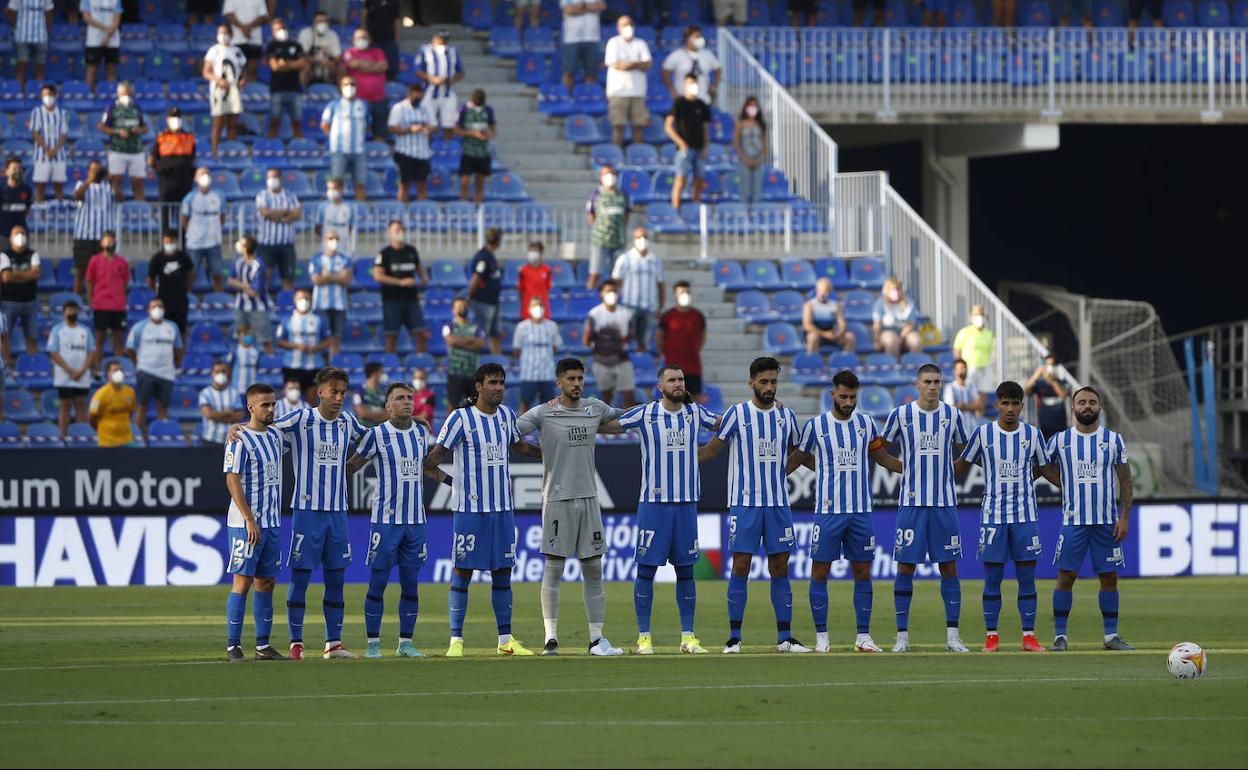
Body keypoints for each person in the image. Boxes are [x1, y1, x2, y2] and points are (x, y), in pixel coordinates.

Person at [236, 366, 367, 660]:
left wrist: (403, 426)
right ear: (319, 392)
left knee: (336, 578)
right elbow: (263, 427)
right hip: (307, 512)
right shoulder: (301, 418)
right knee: (301, 578)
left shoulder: (348, 421)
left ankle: (334, 643)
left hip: (338, 512)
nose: (339, 397)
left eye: (343, 392)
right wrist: (238, 428)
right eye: (333, 391)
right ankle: (296, 643)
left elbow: (373, 439)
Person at [424, 363, 542, 657]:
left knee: (502, 572)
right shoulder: (460, 419)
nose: (499, 387)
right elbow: (430, 461)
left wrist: (552, 453)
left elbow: (519, 446)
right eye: (492, 382)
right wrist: (453, 483)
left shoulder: (506, 415)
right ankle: (456, 641)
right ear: (478, 386)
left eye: (501, 382)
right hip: (470, 511)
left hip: (502, 509)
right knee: (463, 571)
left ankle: (505, 640)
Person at [697, 356, 808, 654]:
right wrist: (677, 462)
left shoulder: (786, 417)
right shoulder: (737, 414)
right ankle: (734, 637)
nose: (769, 387)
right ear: (751, 383)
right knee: (741, 566)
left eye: (773, 381)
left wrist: (793, 470)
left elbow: (799, 451)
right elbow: (710, 450)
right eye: (764, 382)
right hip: (745, 503)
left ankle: (785, 638)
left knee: (780, 567)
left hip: (777, 504)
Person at [516, 358, 625, 656]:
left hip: (589, 497)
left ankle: (596, 640)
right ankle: (550, 638)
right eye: (571, 379)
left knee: (593, 569)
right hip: (557, 499)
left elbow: (623, 419)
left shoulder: (594, 408)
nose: (577, 383)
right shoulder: (544, 412)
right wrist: (540, 453)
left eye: (580, 378)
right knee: (554, 568)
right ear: (559, 383)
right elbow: (512, 433)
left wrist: (655, 410)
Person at [786, 370, 901, 653]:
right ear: (833, 395)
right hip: (828, 512)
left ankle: (863, 636)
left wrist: (912, 470)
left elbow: (882, 457)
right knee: (819, 573)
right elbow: (798, 458)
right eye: (844, 396)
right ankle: (822, 637)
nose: (848, 402)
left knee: (863, 572)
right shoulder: (816, 426)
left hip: (861, 511)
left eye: (853, 397)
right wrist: (772, 476)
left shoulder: (866, 423)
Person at [618, 365, 720, 654]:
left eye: (681, 380)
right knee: (646, 571)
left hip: (686, 505)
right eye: (672, 380)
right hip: (653, 504)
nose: (678, 384)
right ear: (660, 386)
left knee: (686, 572)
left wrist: (766, 410)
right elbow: (610, 424)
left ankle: (688, 637)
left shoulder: (695, 413)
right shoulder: (645, 413)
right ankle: (644, 638)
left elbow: (725, 425)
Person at [954, 380, 1060, 654]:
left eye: (1015, 403)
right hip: (993, 516)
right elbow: (961, 467)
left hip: (1025, 516)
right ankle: (991, 636)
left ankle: (1029, 636)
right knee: (993, 579)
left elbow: (1046, 470)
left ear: (1022, 406)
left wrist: (1073, 485)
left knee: (1027, 578)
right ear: (997, 404)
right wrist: (929, 471)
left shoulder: (1033, 435)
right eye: (1005, 403)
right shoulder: (983, 434)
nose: (1010, 408)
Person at [879, 363, 974, 653]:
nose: (933, 386)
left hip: (944, 503)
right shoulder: (901, 415)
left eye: (937, 382)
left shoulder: (952, 415)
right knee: (905, 566)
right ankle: (902, 638)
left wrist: (947, 472)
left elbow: (967, 453)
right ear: (916, 385)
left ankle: (953, 637)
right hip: (911, 504)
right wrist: (904, 469)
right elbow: (881, 451)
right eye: (927, 382)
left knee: (949, 566)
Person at [346, 382, 439, 658]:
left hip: (416, 521)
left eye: (410, 398)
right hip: (385, 521)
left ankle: (406, 643)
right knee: (378, 583)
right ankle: (373, 643)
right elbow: (353, 466)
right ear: (388, 406)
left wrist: (452, 482)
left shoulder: (421, 433)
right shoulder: (376, 435)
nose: (407, 402)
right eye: (400, 398)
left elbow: (426, 467)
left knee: (411, 584)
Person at [1047, 386, 1135, 652]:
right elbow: (1039, 467)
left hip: (1106, 523)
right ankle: (1060, 637)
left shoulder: (1113, 440)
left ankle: (1111, 637)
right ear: (1073, 409)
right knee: (1066, 577)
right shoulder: (1060, 441)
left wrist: (1125, 517)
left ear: (1099, 408)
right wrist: (1062, 482)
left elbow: (1126, 480)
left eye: (1092, 402)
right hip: (1073, 522)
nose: (1087, 406)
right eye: (1082, 402)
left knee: (1109, 578)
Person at [222, 382, 289, 662]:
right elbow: (231, 478)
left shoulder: (275, 435)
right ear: (251, 407)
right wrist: (249, 518)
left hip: (272, 522)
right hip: (245, 523)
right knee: (243, 582)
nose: (271, 409)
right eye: (265, 404)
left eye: (273, 403)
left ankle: (263, 645)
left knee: (267, 582)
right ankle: (233, 645)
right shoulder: (239, 439)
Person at [126, 297, 184, 434]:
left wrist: (177, 365)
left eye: (160, 306)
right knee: (142, 406)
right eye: (154, 306)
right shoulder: (139, 327)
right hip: (146, 371)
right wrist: (138, 363)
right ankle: (138, 437)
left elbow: (178, 348)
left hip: (166, 373)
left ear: (164, 309)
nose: (157, 309)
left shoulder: (172, 327)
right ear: (148, 310)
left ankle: (161, 437)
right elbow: (130, 348)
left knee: (163, 407)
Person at [375, 220, 428, 353]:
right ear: (390, 233)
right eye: (396, 230)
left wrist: (423, 278)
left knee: (420, 334)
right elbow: (378, 276)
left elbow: (418, 267)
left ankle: (420, 367)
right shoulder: (384, 253)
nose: (400, 232)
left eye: (401, 229)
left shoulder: (411, 250)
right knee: (392, 336)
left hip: (411, 299)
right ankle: (390, 367)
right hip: (392, 301)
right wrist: (400, 282)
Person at [610, 225, 664, 353]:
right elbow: (615, 281)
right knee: (627, 338)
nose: (642, 240)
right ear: (634, 239)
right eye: (639, 237)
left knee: (644, 341)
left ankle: (641, 363)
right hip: (629, 305)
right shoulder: (625, 259)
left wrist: (661, 306)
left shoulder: (655, 260)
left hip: (649, 306)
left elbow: (660, 283)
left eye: (645, 237)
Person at [46, 299, 95, 436]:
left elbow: (91, 352)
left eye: (74, 310)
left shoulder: (85, 331)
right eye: (69, 310)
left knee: (81, 405)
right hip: (64, 375)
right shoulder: (57, 330)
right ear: (64, 313)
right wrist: (69, 370)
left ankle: (81, 436)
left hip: (82, 375)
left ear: (78, 312)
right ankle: (63, 437)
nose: (72, 312)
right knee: (65, 406)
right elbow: (53, 351)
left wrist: (82, 370)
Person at [584, 279, 635, 408]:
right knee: (605, 397)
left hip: (622, 359)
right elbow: (587, 339)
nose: (611, 294)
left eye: (613, 291)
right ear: (601, 293)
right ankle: (606, 426)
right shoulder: (594, 314)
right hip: (601, 360)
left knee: (629, 394)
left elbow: (629, 337)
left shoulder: (626, 314)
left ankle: (631, 425)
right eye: (608, 291)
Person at [603, 15, 651, 149]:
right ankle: (616, 155)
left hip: (638, 92)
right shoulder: (613, 42)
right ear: (618, 28)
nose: (628, 27)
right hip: (618, 92)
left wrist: (629, 64)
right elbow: (616, 65)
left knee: (639, 126)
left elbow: (647, 64)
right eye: (624, 24)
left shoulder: (640, 43)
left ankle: (639, 154)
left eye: (630, 23)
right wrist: (637, 64)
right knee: (618, 126)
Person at [320, 76, 371, 203]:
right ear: (340, 87)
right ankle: (334, 210)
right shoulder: (334, 105)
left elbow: (368, 124)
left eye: (352, 84)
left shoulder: (363, 105)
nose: (349, 87)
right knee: (336, 183)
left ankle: (361, 212)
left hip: (359, 150)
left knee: (360, 183)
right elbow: (324, 124)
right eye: (346, 84)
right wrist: (334, 138)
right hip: (339, 150)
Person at [85, 230, 128, 376]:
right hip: (101, 305)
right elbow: (90, 281)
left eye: (113, 240)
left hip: (118, 306)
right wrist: (91, 300)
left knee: (118, 340)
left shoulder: (122, 261)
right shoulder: (95, 260)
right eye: (107, 240)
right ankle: (98, 370)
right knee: (99, 340)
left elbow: (125, 282)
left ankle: (119, 371)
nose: (110, 242)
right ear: (101, 243)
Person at [664, 74, 711, 209]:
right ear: (684, 85)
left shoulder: (702, 105)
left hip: (699, 147)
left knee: (699, 180)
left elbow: (705, 128)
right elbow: (668, 126)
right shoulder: (679, 103)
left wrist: (706, 146)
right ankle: (676, 209)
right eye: (690, 83)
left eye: (695, 83)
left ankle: (695, 209)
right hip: (684, 149)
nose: (693, 86)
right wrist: (680, 142)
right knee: (681, 179)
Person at [276, 289, 331, 403]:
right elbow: (279, 342)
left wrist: (315, 348)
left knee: (312, 399)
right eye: (301, 298)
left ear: (311, 300)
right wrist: (296, 346)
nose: (304, 301)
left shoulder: (319, 320)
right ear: (295, 300)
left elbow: (328, 341)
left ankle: (310, 421)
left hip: (314, 366)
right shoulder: (287, 319)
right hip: (292, 367)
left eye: (306, 298)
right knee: (292, 398)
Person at [97, 81, 148, 202]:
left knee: (138, 183)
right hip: (117, 150)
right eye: (124, 93)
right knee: (115, 181)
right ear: (119, 94)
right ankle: (115, 209)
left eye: (129, 93)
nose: (126, 95)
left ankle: (140, 211)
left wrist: (138, 130)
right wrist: (117, 132)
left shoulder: (137, 108)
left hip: (136, 151)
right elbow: (102, 126)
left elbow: (145, 128)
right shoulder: (112, 108)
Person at [657, 281, 707, 399]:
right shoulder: (668, 316)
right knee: (672, 398)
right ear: (675, 295)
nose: (685, 294)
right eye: (681, 292)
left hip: (693, 366)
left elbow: (703, 335)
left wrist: (695, 348)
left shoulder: (698, 315)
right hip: (672, 366)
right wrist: (665, 351)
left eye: (687, 292)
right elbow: (659, 337)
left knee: (694, 400)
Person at [151, 107, 197, 234]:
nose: (175, 120)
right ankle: (164, 241)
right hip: (167, 180)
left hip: (184, 180)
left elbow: (193, 157)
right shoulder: (161, 137)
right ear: (167, 120)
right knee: (165, 212)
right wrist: (161, 169)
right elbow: (153, 159)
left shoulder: (189, 137)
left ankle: (184, 242)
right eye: (172, 118)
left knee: (184, 212)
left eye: (177, 117)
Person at [72, 160, 115, 296]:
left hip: (103, 238)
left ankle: (98, 300)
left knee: (103, 272)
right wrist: (88, 181)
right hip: (83, 236)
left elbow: (120, 197)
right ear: (88, 171)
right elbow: (77, 197)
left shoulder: (108, 187)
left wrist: (113, 181)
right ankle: (78, 302)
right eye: (93, 170)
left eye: (98, 170)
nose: (96, 173)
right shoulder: (81, 184)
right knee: (80, 272)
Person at [180, 166, 226, 293]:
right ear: (196, 178)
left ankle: (220, 299)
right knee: (191, 274)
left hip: (214, 242)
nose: (205, 176)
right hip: (195, 243)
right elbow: (184, 219)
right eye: (201, 174)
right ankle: (187, 298)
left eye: (207, 173)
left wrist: (215, 231)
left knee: (217, 274)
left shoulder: (220, 196)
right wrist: (192, 233)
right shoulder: (189, 198)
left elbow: (222, 217)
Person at [255, 168, 301, 292]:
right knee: (264, 276)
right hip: (266, 244)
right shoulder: (262, 195)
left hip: (286, 244)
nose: (272, 180)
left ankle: (288, 304)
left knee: (288, 278)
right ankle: (263, 302)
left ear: (281, 178)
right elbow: (266, 213)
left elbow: (296, 214)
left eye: (274, 176)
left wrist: (276, 215)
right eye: (269, 177)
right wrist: (286, 212)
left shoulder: (290, 195)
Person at [204, 26, 247, 159]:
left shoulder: (237, 51)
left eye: (225, 32)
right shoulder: (213, 50)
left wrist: (243, 79)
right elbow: (206, 72)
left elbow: (242, 69)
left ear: (231, 34)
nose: (223, 35)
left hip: (234, 89)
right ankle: (215, 152)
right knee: (218, 122)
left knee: (232, 122)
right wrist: (218, 80)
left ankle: (231, 151)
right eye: (220, 32)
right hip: (219, 89)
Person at [0, 224, 41, 364]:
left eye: (23, 233)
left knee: (32, 338)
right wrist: (26, 275)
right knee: (4, 337)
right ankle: (6, 366)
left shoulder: (32, 254)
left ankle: (33, 365)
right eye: (17, 233)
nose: (20, 236)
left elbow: (36, 274)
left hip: (29, 302)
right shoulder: (5, 255)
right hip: (8, 302)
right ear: (10, 238)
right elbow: (6, 277)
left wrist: (15, 274)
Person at [512, 297, 562, 413]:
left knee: (550, 405)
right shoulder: (522, 327)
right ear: (529, 309)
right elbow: (516, 350)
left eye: (540, 305)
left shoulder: (552, 326)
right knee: (525, 403)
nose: (538, 308)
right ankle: (522, 430)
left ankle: (548, 430)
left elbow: (555, 347)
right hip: (529, 374)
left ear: (544, 308)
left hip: (547, 374)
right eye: (534, 305)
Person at [414, 30, 464, 141]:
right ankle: (427, 148)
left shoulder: (453, 51)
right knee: (429, 124)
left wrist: (453, 79)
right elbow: (417, 70)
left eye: (445, 40)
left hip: (447, 92)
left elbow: (461, 72)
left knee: (449, 124)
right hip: (429, 91)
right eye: (441, 40)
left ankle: (447, 149)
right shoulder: (425, 50)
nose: (443, 43)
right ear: (434, 38)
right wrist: (431, 78)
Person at [389, 83, 436, 202]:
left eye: (419, 97)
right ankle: (401, 213)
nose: (417, 99)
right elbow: (392, 128)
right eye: (415, 97)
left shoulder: (426, 108)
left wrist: (427, 129)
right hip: (405, 152)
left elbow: (434, 126)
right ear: (409, 95)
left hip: (423, 152)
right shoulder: (399, 108)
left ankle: (422, 214)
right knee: (404, 184)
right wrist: (409, 129)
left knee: (422, 184)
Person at [228, 235, 274, 356]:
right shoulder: (238, 261)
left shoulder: (258, 265)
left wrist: (241, 285)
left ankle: (270, 362)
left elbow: (254, 292)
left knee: (264, 340)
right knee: (242, 337)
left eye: (241, 244)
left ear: (246, 248)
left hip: (258, 308)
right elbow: (230, 281)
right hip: (241, 307)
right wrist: (246, 286)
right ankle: (244, 361)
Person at [585, 164, 629, 290]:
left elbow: (626, 216)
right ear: (601, 177)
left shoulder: (623, 195)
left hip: (618, 242)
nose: (610, 176)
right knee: (595, 273)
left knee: (618, 275)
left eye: (612, 173)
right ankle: (590, 299)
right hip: (600, 241)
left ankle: (617, 299)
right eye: (606, 174)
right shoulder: (595, 195)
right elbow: (591, 217)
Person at [309, 231, 351, 356]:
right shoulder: (317, 259)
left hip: (340, 304)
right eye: (330, 238)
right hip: (321, 305)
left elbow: (346, 280)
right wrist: (338, 275)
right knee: (322, 337)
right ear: (324, 240)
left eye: (336, 238)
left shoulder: (345, 259)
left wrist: (327, 276)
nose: (334, 241)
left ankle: (333, 366)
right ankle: (322, 366)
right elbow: (316, 280)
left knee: (336, 337)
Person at [342, 28, 390, 139]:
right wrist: (374, 66)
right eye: (358, 38)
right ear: (353, 40)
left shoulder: (378, 52)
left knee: (380, 132)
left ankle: (379, 153)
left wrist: (361, 64)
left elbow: (384, 66)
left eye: (364, 37)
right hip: (358, 100)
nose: (361, 40)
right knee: (358, 132)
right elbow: (351, 65)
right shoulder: (349, 53)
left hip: (379, 99)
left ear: (369, 39)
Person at [146, 231, 194, 335]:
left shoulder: (183, 257)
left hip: (180, 300)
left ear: (176, 242)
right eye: (166, 242)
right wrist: (155, 291)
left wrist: (188, 288)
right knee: (163, 327)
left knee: (181, 329)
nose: (169, 244)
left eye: (171, 242)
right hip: (164, 299)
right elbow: (150, 278)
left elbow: (190, 274)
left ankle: (181, 350)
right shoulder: (157, 258)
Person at [265, 18, 307, 140]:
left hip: (295, 89)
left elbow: (302, 64)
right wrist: (292, 64)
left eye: (283, 28)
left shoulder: (296, 45)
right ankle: (271, 146)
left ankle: (299, 147)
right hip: (277, 89)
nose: (282, 31)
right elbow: (275, 66)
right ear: (273, 32)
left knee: (297, 122)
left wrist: (285, 64)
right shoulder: (272, 46)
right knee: (274, 121)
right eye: (278, 29)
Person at [442, 296, 484, 410]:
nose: (463, 308)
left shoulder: (476, 327)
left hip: (473, 374)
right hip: (455, 372)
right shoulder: (448, 326)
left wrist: (459, 341)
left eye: (464, 305)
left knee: (475, 406)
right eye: (459, 306)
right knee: (452, 405)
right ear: (453, 309)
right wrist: (470, 340)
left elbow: (480, 344)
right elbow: (451, 341)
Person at [466, 226, 504, 354]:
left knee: (495, 334)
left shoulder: (490, 256)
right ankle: (477, 364)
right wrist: (469, 297)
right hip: (483, 302)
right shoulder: (483, 257)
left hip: (493, 302)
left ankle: (497, 363)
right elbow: (476, 278)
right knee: (481, 336)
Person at [455, 89, 495, 203]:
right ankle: (463, 208)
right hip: (468, 152)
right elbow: (456, 130)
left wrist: (487, 135)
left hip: (483, 152)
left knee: (480, 184)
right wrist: (472, 133)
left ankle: (478, 210)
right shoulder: (463, 110)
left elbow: (494, 131)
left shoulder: (488, 110)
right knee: (464, 183)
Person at [29, 84, 68, 204]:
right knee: (40, 185)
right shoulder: (37, 112)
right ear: (41, 96)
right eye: (44, 95)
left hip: (59, 155)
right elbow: (35, 133)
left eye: (49, 94)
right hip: (42, 155)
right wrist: (47, 149)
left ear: (54, 95)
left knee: (58, 185)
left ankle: (59, 211)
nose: (47, 97)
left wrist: (55, 149)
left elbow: (64, 134)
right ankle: (40, 213)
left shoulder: (62, 113)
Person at [662, 26, 720, 105]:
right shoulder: (676, 55)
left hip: (704, 100)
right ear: (688, 39)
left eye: (700, 36)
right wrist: (672, 91)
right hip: (682, 100)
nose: (700, 39)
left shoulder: (708, 54)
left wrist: (714, 85)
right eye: (697, 36)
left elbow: (717, 69)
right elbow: (665, 72)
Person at [88, 359, 137, 447]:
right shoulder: (100, 395)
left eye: (121, 370)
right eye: (115, 371)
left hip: (127, 440)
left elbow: (130, 412)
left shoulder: (130, 392)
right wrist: (104, 432)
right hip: (108, 443)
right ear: (108, 374)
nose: (119, 373)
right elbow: (92, 418)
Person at [6, 0, 52, 91]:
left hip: (41, 35)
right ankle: (19, 94)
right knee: (21, 67)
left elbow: (49, 13)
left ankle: (39, 95)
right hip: (22, 35)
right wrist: (16, 28)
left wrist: (46, 30)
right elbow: (11, 12)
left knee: (40, 68)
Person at [560, 0, 604, 95]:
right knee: (569, 72)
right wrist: (589, 8)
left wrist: (581, 7)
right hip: (572, 39)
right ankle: (566, 98)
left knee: (591, 73)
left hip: (592, 38)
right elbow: (568, 10)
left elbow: (601, 6)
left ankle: (589, 99)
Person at [802, 277, 855, 354]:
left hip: (832, 334)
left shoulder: (836, 305)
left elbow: (842, 323)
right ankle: (812, 363)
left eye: (827, 291)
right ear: (817, 290)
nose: (824, 294)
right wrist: (824, 334)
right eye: (822, 291)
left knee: (850, 337)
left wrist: (840, 332)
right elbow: (807, 325)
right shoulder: (809, 305)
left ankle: (846, 361)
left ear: (830, 291)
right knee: (812, 337)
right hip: (817, 334)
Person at [872, 276, 922, 356]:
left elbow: (911, 324)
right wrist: (876, 341)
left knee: (915, 340)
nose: (896, 291)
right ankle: (894, 366)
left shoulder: (909, 303)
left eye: (898, 289)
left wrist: (901, 337)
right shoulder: (880, 304)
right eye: (892, 289)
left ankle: (914, 365)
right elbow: (877, 325)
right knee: (891, 340)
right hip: (887, 332)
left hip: (905, 333)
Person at [1024, 354, 1070, 438]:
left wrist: (1052, 381)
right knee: (1045, 436)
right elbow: (1026, 391)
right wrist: (1036, 375)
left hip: (1058, 410)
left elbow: (1063, 394)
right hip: (1045, 411)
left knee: (1061, 437)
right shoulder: (1040, 380)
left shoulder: (1061, 376)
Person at [953, 304, 996, 394]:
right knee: (967, 395)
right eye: (976, 314)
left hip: (985, 369)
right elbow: (957, 350)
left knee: (982, 398)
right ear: (971, 316)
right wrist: (960, 368)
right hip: (969, 369)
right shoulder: (964, 332)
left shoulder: (989, 333)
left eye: (981, 314)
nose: (979, 317)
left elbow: (990, 351)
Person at [732, 95, 767, 205]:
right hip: (745, 158)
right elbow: (736, 142)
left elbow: (765, 144)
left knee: (757, 190)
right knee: (745, 190)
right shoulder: (740, 123)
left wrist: (760, 158)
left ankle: (755, 214)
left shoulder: (761, 124)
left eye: (755, 106)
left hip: (758, 158)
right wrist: (744, 158)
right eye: (750, 105)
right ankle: (745, 216)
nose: (753, 108)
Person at [200, 360, 243, 446]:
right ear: (212, 373)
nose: (221, 374)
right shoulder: (205, 393)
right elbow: (209, 415)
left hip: (231, 440)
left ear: (228, 373)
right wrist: (229, 413)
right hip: (210, 440)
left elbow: (239, 415)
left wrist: (217, 416)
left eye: (223, 371)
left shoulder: (234, 393)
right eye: (218, 372)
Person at [222, 0, 268, 80]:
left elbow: (263, 16)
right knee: (237, 70)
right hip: (236, 40)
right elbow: (229, 14)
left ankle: (252, 90)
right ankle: (238, 91)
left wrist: (248, 27)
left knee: (252, 70)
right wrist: (243, 27)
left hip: (254, 40)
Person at [81, 0, 121, 90]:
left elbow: (117, 18)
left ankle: (110, 95)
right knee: (92, 70)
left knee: (111, 69)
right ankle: (89, 96)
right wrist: (105, 27)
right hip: (94, 39)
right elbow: (86, 17)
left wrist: (108, 35)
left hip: (112, 39)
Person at [300, 11, 342, 86]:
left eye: (325, 21)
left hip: (328, 67)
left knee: (340, 69)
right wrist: (318, 62)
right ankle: (302, 93)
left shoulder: (333, 35)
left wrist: (330, 62)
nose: (322, 24)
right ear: (314, 22)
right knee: (305, 66)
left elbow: (337, 57)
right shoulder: (305, 33)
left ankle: (342, 95)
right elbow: (303, 55)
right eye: (319, 21)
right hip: (312, 66)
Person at [0, 159, 31, 257]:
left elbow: (27, 209)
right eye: (14, 168)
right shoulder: (1, 189)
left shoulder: (27, 190)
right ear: (7, 171)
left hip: (21, 234)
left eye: (19, 169)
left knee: (20, 264)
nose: (17, 171)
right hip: (2, 234)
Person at [363, 0, 401, 80]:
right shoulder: (370, 1)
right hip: (373, 39)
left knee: (392, 65)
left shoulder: (395, 2)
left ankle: (391, 81)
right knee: (374, 63)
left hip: (389, 38)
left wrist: (397, 37)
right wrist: (365, 33)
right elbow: (364, 16)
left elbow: (397, 20)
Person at [518, 242, 551, 321]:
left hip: (543, 310)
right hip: (527, 311)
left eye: (535, 250)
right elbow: (521, 290)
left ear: (541, 253)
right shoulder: (523, 270)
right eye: (530, 251)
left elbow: (547, 288)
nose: (532, 253)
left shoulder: (547, 270)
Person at [351, 361, 388, 427]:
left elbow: (389, 414)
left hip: (380, 431)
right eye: (382, 372)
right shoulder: (358, 392)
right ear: (374, 374)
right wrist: (380, 416)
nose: (384, 375)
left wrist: (370, 414)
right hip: (364, 431)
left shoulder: (384, 392)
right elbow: (362, 413)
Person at [228, 325, 260, 392]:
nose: (247, 336)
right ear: (239, 336)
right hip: (238, 387)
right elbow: (228, 367)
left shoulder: (255, 351)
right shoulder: (235, 351)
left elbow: (257, 366)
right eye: (245, 334)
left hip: (252, 386)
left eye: (249, 334)